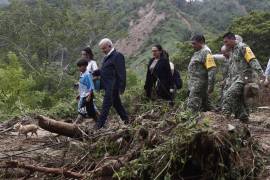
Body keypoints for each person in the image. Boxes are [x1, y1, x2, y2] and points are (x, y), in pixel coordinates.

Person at [222, 32, 264, 121]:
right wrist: (228, 80)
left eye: (226, 42)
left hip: (244, 77)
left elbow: (252, 60)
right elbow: (232, 67)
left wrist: (261, 73)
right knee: (238, 99)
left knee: (229, 95)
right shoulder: (232, 51)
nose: (225, 44)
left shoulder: (243, 47)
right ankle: (243, 118)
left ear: (233, 39)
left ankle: (224, 118)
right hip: (235, 78)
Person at [93, 38, 129, 129]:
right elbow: (105, 70)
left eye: (104, 48)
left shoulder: (117, 56)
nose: (102, 51)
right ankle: (127, 121)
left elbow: (122, 72)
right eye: (101, 49)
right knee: (117, 105)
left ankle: (97, 127)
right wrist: (96, 72)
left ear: (110, 46)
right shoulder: (106, 57)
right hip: (108, 86)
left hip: (113, 87)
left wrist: (122, 87)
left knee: (105, 107)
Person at [187, 34, 217, 112]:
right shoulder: (198, 52)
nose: (192, 45)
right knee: (206, 105)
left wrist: (211, 86)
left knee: (192, 106)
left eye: (194, 43)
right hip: (195, 84)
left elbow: (212, 69)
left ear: (201, 42)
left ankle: (187, 119)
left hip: (199, 84)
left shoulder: (206, 52)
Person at [74, 59, 97, 124]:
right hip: (83, 95)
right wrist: (79, 94)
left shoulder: (87, 74)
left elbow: (91, 86)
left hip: (87, 95)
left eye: (80, 66)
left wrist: (89, 96)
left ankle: (75, 124)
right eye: (78, 67)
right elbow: (82, 86)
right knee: (91, 112)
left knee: (82, 110)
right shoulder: (82, 74)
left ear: (84, 66)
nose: (79, 68)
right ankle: (100, 123)